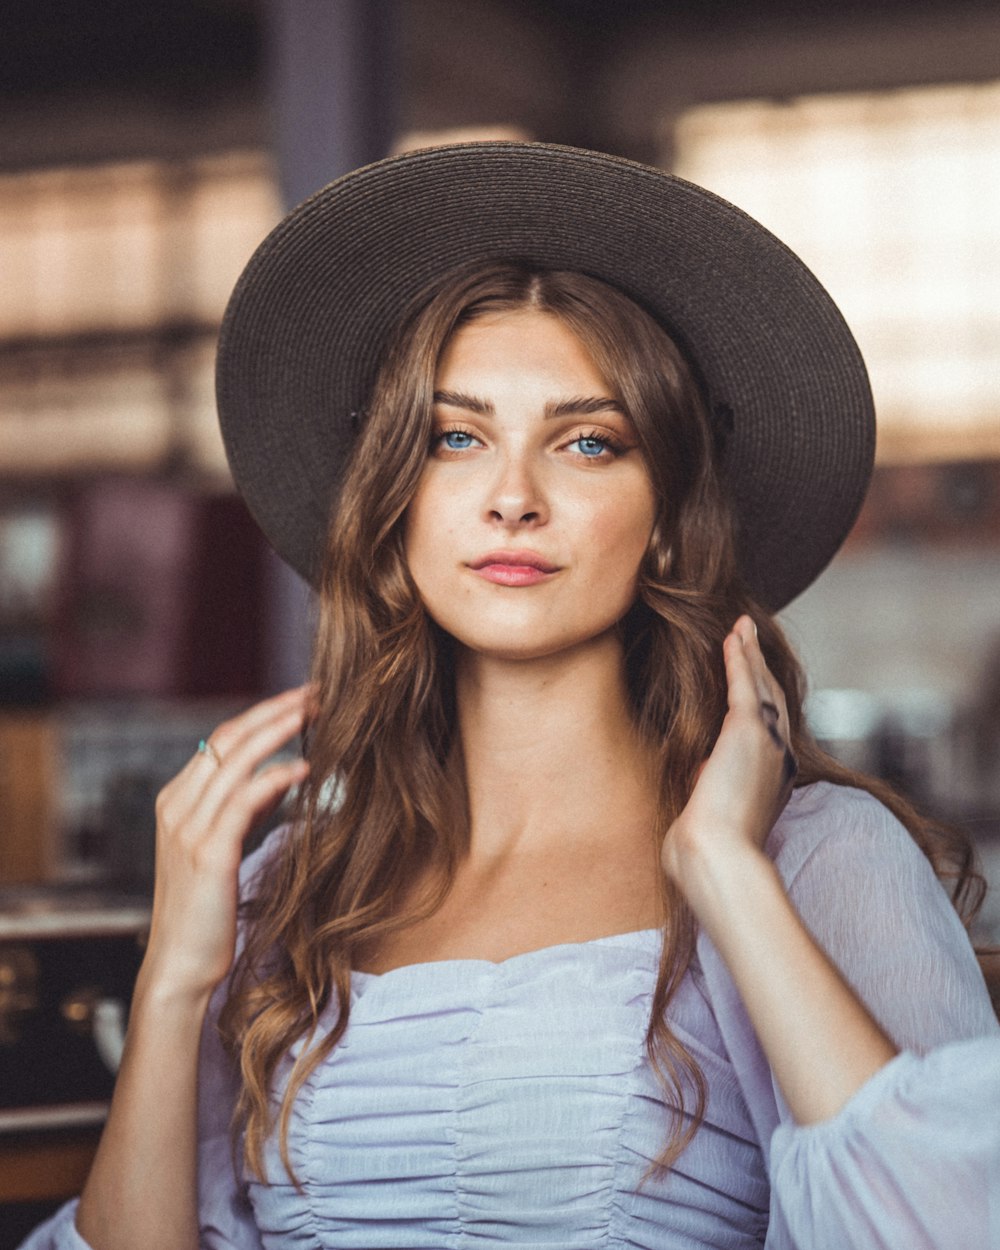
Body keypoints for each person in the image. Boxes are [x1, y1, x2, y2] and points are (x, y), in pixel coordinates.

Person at [22, 142, 999, 1250]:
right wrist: (174, 976)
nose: (512, 499)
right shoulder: (290, 886)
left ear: (670, 511)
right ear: (394, 502)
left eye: (587, 441)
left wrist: (722, 869)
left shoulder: (817, 854)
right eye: (455, 437)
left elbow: (956, 1226)